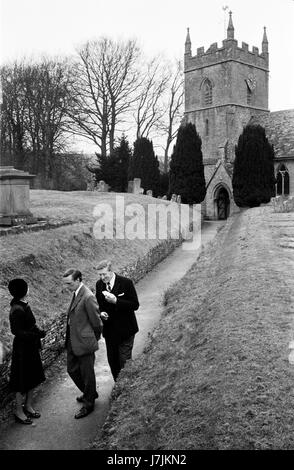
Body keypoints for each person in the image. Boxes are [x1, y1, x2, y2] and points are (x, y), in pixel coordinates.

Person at [63, 268, 103, 419]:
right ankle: (90, 392)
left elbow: (97, 322)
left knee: (87, 374)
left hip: (84, 342)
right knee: (72, 370)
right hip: (73, 341)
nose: (67, 287)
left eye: (69, 283)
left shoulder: (88, 296)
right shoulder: (76, 293)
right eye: (65, 284)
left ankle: (89, 404)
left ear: (78, 280)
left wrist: (93, 338)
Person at [8, 278, 46, 425]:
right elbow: (16, 331)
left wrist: (39, 331)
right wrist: (35, 335)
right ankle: (18, 411)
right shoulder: (16, 309)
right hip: (23, 350)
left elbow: (31, 324)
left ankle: (28, 406)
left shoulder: (23, 305)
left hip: (30, 347)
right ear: (23, 291)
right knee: (21, 381)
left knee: (33, 377)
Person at [95, 259, 139, 381]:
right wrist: (101, 313)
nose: (102, 277)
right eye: (100, 275)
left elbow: (135, 305)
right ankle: (118, 387)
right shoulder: (99, 285)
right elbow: (99, 305)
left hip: (126, 331)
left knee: (124, 362)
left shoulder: (126, 283)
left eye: (104, 274)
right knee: (113, 363)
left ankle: (126, 388)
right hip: (110, 332)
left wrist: (116, 301)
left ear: (111, 271)